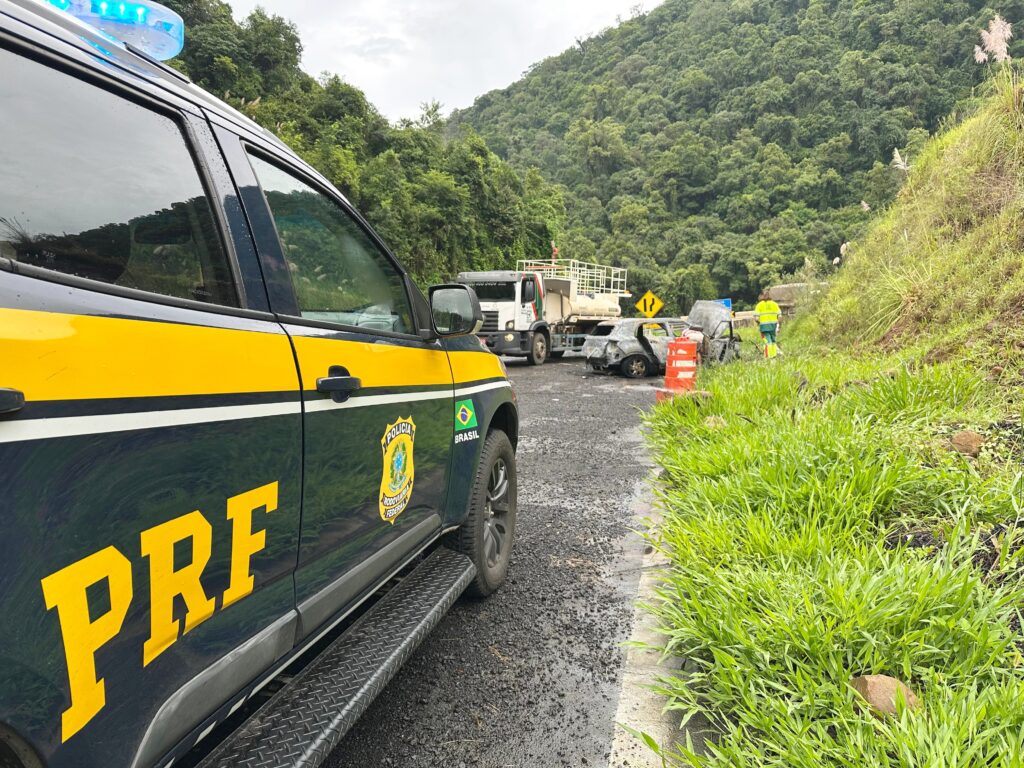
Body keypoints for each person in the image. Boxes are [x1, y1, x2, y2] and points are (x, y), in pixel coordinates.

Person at [755, 290, 782, 358]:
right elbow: (780, 316)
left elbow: (756, 318)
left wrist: (759, 324)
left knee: (767, 342)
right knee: (773, 341)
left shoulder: (759, 305)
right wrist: (779, 326)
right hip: (773, 326)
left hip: (764, 327)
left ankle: (768, 357)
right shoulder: (775, 304)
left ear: (761, 296)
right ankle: (773, 355)